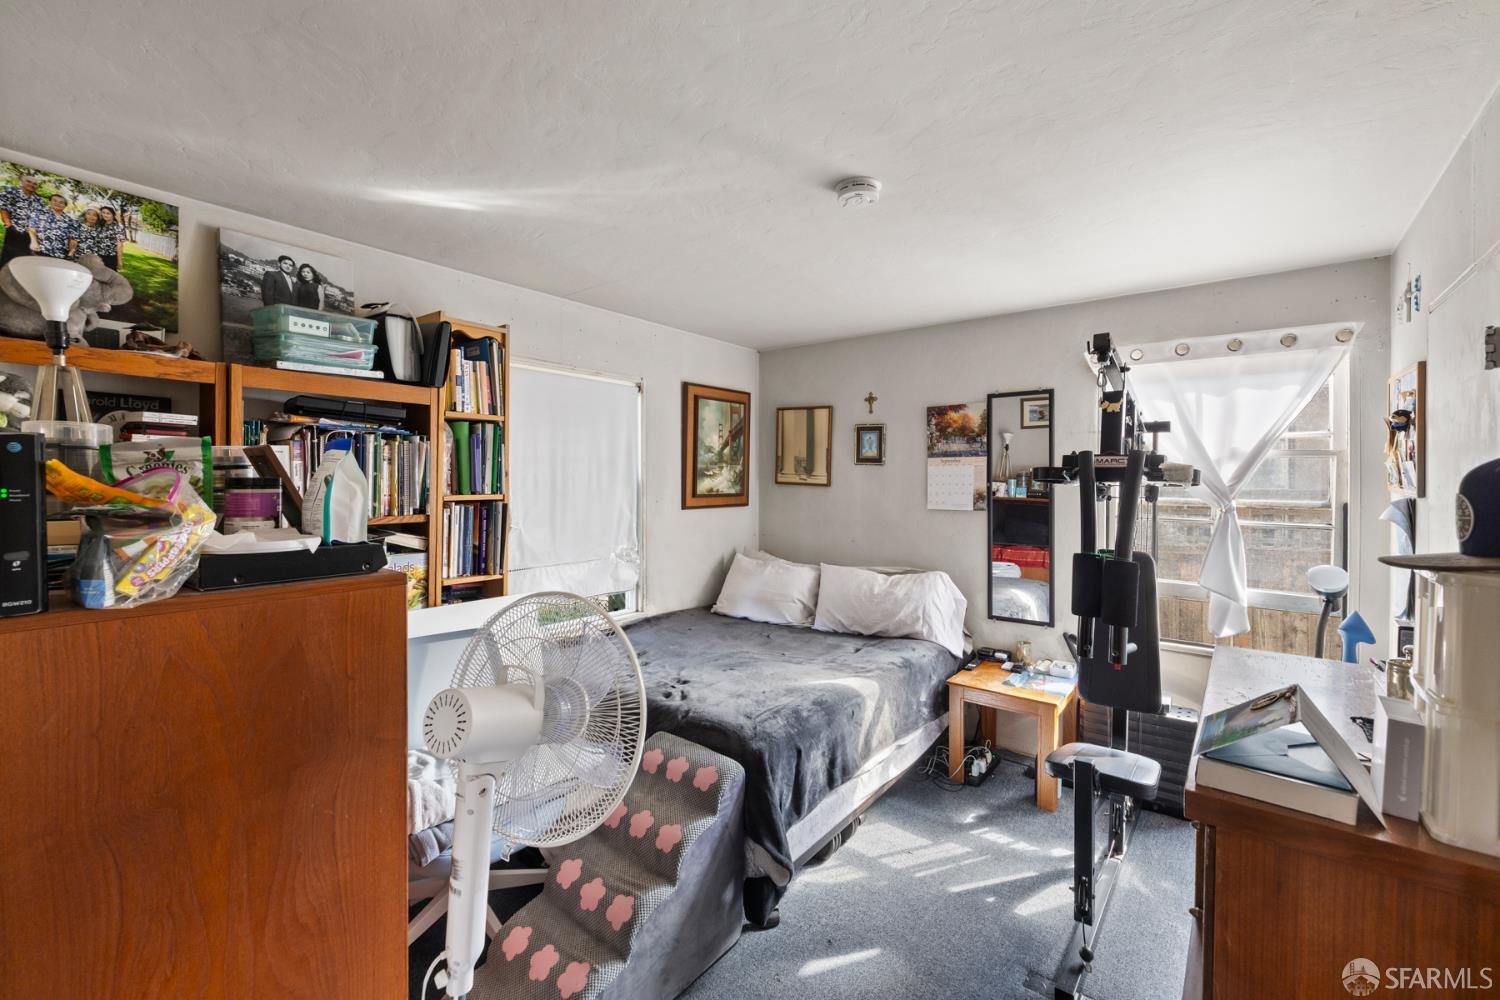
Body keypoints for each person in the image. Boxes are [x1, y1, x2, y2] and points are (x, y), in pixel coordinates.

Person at [0, 176, 45, 268]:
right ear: (22, 182)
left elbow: (40, 218)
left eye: (35, 184)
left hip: (30, 234)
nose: (32, 185)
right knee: (8, 258)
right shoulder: (11, 192)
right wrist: (9, 225)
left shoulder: (38, 200)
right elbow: (3, 208)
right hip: (14, 230)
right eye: (29, 182)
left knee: (23, 259)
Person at [28, 193, 80, 259]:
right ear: (50, 202)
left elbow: (73, 239)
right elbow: (32, 229)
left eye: (61, 202)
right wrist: (34, 242)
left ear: (65, 206)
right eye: (55, 201)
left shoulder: (71, 221)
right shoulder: (39, 213)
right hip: (39, 250)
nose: (58, 203)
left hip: (60, 255)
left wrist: (71, 252)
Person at [95, 205, 124, 270]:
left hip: (110, 258)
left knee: (108, 278)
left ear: (113, 215)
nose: (105, 215)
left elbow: (120, 246)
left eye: (108, 213)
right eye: (103, 212)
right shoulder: (100, 225)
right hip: (98, 256)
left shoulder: (118, 227)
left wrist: (119, 261)